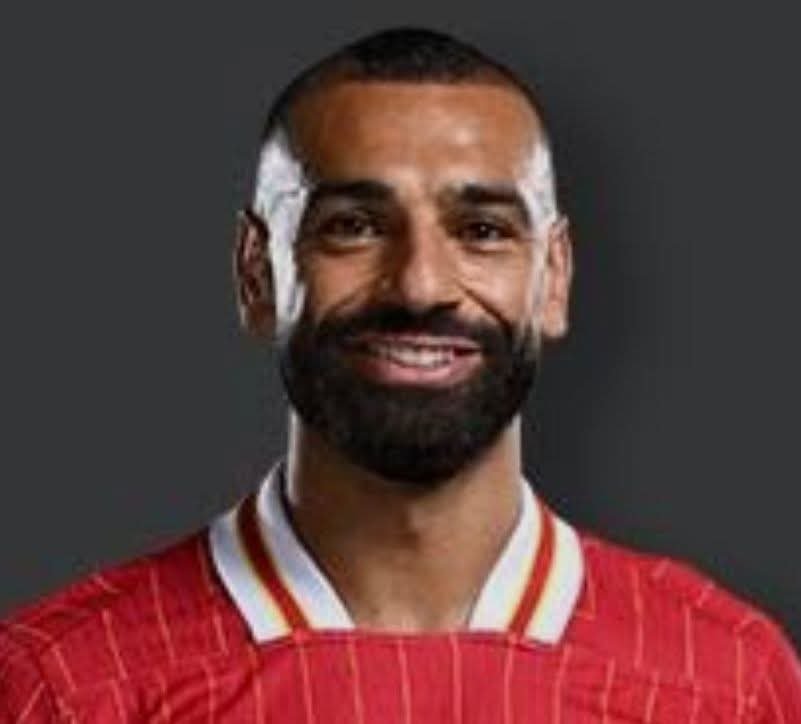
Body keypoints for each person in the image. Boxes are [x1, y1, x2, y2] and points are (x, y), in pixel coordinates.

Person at [1, 26, 799, 723]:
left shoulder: (727, 679)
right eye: (353, 226)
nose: (419, 285)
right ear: (256, 272)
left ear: (553, 277)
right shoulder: (59, 684)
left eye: (481, 230)